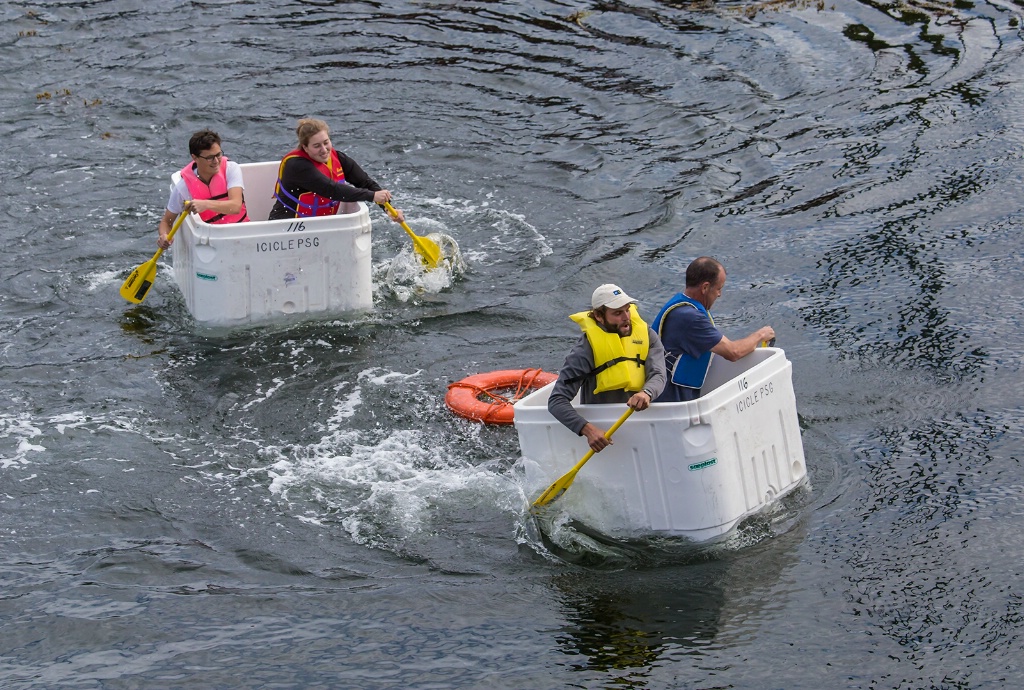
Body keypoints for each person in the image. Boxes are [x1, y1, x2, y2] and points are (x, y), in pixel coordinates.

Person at [547, 284, 667, 453]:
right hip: (603, 434)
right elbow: (556, 401)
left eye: (627, 310)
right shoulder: (584, 350)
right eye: (617, 313)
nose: (626, 317)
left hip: (641, 425)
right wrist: (587, 430)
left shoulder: (647, 335)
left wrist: (646, 392)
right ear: (598, 316)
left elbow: (659, 374)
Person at [653, 256, 775, 403]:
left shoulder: (683, 306)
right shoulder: (690, 318)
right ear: (705, 287)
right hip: (670, 403)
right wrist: (761, 334)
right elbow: (733, 352)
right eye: (719, 288)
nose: (719, 294)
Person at [269, 118, 405, 224]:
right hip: (286, 225)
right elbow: (331, 189)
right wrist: (372, 196)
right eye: (316, 146)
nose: (324, 149)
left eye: (326, 142)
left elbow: (365, 182)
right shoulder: (297, 166)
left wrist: (388, 209)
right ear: (305, 148)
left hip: (319, 226)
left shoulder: (337, 157)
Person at [157, 129, 248, 249]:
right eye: (210, 157)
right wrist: (164, 236)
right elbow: (166, 222)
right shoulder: (183, 187)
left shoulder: (231, 169)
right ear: (195, 158)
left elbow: (236, 206)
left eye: (218, 155)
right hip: (210, 244)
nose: (216, 161)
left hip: (242, 234)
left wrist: (205, 204)